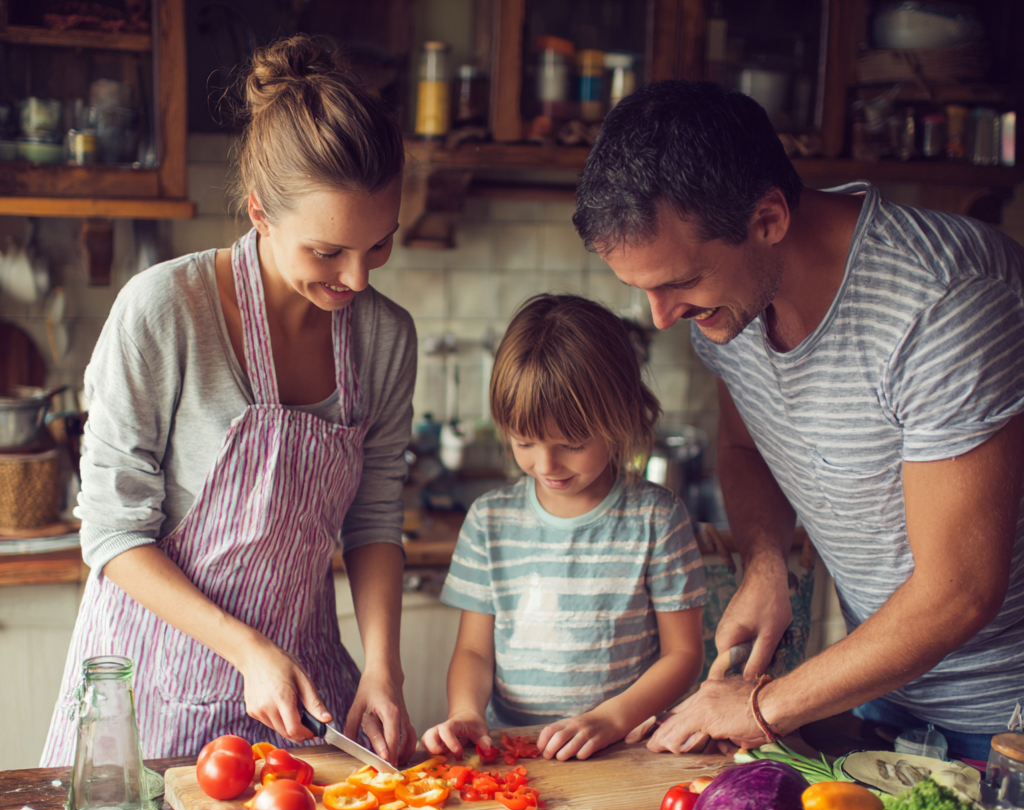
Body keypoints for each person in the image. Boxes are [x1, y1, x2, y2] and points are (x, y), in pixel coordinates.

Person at [572, 79, 1024, 762]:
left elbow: (959, 592)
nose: (663, 317)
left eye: (679, 284)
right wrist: (764, 564)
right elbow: (741, 442)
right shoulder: (726, 306)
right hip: (880, 700)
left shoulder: (945, 301)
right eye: (646, 290)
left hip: (1005, 723)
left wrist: (760, 706)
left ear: (769, 219)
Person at [41, 36, 418, 767]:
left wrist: (383, 667)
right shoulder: (164, 310)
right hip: (147, 691)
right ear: (260, 213)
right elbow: (113, 533)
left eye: (379, 246)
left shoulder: (385, 337)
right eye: (327, 252)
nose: (358, 280)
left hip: (303, 704)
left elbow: (373, 519)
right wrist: (247, 649)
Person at [421, 295, 707, 762]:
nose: (546, 464)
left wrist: (613, 718)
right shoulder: (490, 521)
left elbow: (683, 655)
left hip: (624, 749)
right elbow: (474, 652)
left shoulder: (657, 519)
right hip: (518, 752)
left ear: (621, 419)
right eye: (525, 441)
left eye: (571, 444)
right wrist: (467, 711)